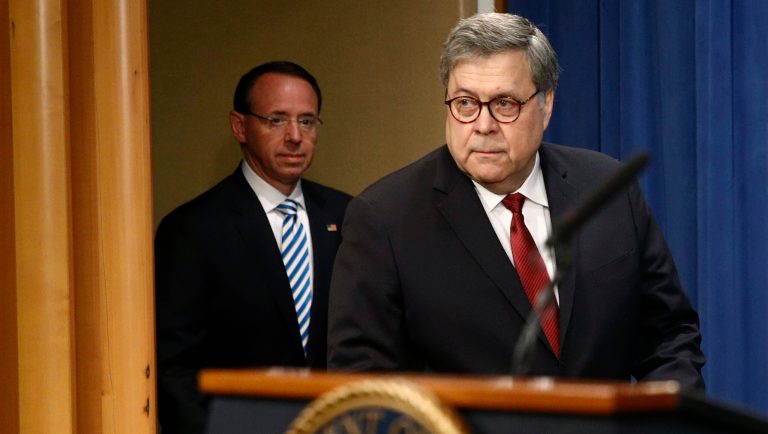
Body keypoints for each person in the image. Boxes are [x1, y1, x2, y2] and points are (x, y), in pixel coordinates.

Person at [327, 13, 705, 388]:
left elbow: (670, 336)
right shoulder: (385, 219)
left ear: (546, 105)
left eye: (505, 103)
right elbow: (363, 387)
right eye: (465, 103)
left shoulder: (607, 189)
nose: (483, 124)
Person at [155, 61, 351, 434]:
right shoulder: (193, 230)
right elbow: (173, 369)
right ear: (240, 126)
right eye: (276, 120)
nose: (295, 136)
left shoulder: (348, 217)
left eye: (307, 121)